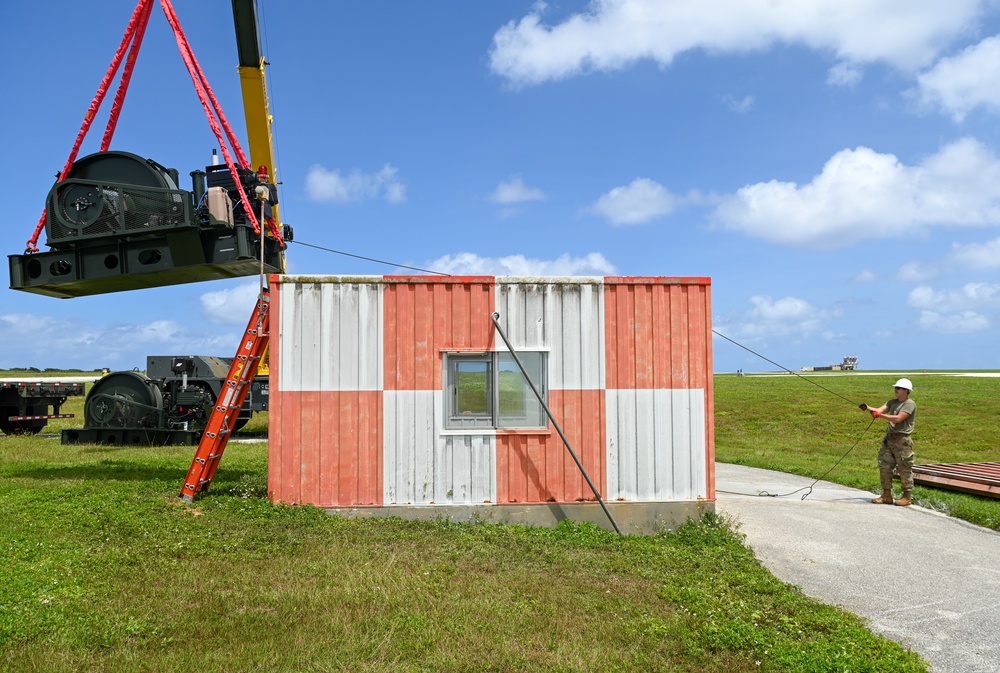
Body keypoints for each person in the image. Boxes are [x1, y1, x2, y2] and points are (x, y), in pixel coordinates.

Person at [863, 378, 917, 506]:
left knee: (904, 467)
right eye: (895, 388)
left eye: (898, 388)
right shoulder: (892, 402)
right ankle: (886, 495)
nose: (896, 390)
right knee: (885, 465)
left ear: (906, 391)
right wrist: (867, 408)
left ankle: (906, 497)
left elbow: (899, 418)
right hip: (889, 439)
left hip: (902, 440)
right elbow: (880, 410)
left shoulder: (910, 404)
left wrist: (880, 416)